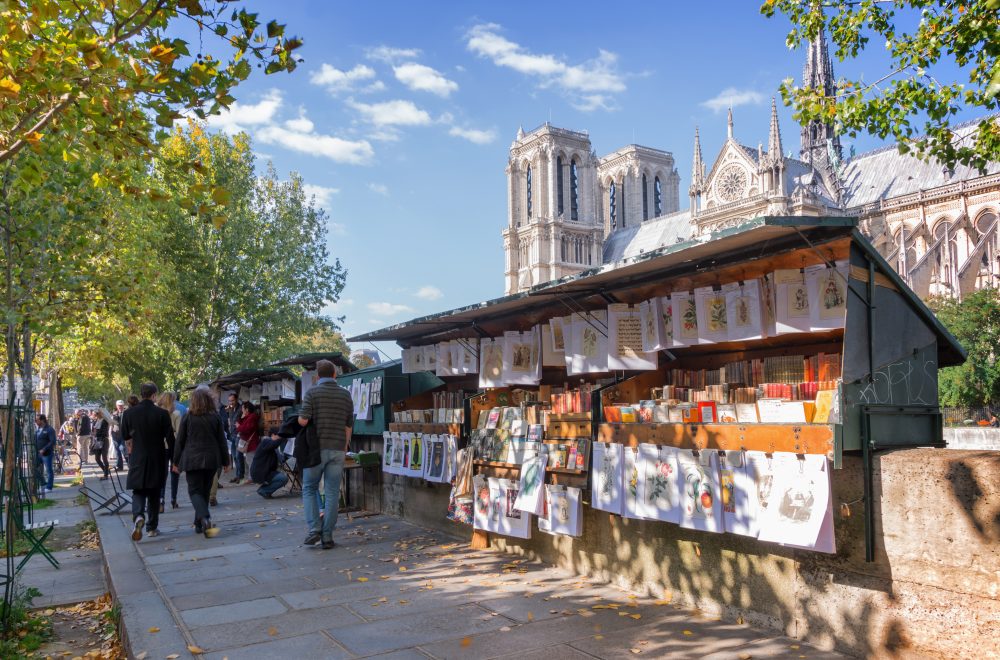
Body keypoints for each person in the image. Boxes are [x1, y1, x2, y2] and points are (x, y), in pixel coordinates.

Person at [298, 359, 354, 549]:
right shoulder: (345, 395)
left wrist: (299, 417)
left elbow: (304, 421)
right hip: (338, 448)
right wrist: (345, 445)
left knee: (309, 487)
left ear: (317, 376)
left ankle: (314, 528)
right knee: (331, 492)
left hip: (316, 450)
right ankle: (327, 536)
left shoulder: (312, 393)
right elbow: (348, 424)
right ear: (334, 375)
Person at [172, 386, 230, 537]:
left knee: (194, 491)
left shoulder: (188, 416)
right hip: (211, 459)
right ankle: (200, 525)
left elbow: (180, 441)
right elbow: (222, 441)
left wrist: (176, 461)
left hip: (192, 459)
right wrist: (226, 461)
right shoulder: (215, 417)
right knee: (204, 491)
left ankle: (205, 517)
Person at [121, 382, 175, 541]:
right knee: (154, 492)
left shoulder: (129, 413)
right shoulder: (162, 414)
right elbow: (170, 439)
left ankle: (138, 516)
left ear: (141, 394)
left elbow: (125, 435)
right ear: (154, 395)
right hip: (157, 457)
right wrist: (173, 458)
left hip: (138, 456)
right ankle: (152, 527)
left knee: (138, 490)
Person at [157, 392, 183, 511]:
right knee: (175, 473)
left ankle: (161, 500)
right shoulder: (176, 414)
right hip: (173, 447)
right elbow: (179, 434)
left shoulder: (158, 414)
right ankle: (173, 499)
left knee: (162, 474)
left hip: (160, 447)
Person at [250, 427, 289, 499]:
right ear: (273, 435)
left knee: (282, 477)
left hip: (266, 471)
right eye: (279, 436)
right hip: (260, 472)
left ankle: (264, 490)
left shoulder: (271, 445)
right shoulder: (266, 441)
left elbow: (281, 459)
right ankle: (264, 490)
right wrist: (283, 438)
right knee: (283, 478)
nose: (280, 438)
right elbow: (274, 444)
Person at [235, 401, 261, 485]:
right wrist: (241, 419)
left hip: (251, 442)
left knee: (251, 460)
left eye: (243, 408)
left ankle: (252, 478)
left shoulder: (252, 417)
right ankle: (251, 477)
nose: (242, 410)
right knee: (249, 460)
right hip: (249, 442)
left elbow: (246, 429)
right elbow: (242, 424)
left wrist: (239, 427)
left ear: (247, 409)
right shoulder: (248, 417)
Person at [224, 394, 244, 483]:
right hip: (232, 435)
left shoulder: (241, 409)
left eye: (232, 400)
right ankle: (237, 475)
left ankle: (241, 475)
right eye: (229, 401)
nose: (231, 402)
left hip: (239, 435)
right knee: (234, 456)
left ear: (236, 400)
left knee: (238, 456)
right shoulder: (231, 409)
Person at [34, 414, 57, 494]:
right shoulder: (38, 429)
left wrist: (44, 449)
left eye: (37, 420)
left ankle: (49, 487)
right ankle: (43, 483)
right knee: (33, 467)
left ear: (42, 420)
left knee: (49, 470)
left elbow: (53, 441)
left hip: (47, 453)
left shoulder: (49, 429)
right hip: (38, 453)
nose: (36, 421)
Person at [90, 410, 111, 480]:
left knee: (104, 458)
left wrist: (96, 434)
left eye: (97, 414)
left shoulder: (104, 421)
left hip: (104, 440)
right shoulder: (96, 421)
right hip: (98, 441)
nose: (96, 415)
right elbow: (94, 431)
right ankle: (106, 471)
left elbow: (104, 432)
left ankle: (106, 475)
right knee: (97, 458)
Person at [111, 400, 128, 470]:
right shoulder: (114, 414)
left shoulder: (126, 413)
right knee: (117, 451)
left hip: (123, 435)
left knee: (123, 450)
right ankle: (119, 466)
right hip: (115, 434)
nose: (120, 407)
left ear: (123, 406)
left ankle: (130, 464)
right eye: (119, 405)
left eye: (121, 405)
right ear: (116, 406)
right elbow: (111, 424)